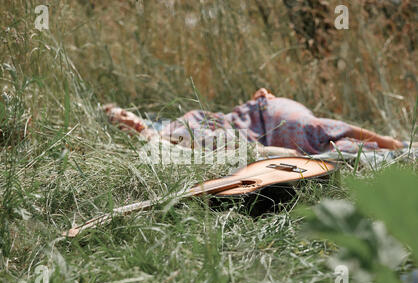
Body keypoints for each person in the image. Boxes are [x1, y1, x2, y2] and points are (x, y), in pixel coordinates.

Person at [102, 88, 408, 157]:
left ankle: (393, 144)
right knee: (333, 149)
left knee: (312, 132)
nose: (126, 122)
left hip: (263, 115)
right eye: (120, 122)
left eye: (124, 115)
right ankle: (397, 150)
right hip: (259, 131)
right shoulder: (161, 142)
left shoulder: (171, 124)